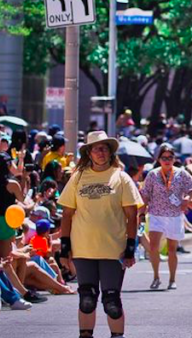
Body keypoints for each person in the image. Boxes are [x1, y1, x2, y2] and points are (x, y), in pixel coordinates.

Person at [58, 131, 143, 338]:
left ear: (110, 152)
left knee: (111, 301)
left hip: (113, 249)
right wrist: (64, 248)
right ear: (89, 153)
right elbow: (67, 215)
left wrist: (131, 247)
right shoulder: (78, 178)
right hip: (83, 248)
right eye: (96, 148)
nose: (101, 152)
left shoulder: (121, 178)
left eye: (104, 148)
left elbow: (132, 216)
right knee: (86, 299)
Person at [141, 144, 192, 291]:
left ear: (174, 159)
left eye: (170, 157)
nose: (167, 161)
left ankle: (172, 279)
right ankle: (156, 277)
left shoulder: (181, 173)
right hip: (156, 214)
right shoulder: (152, 174)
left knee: (172, 249)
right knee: (153, 247)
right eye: (164, 158)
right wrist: (141, 212)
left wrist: (187, 198)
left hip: (174, 215)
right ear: (159, 159)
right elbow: (145, 193)